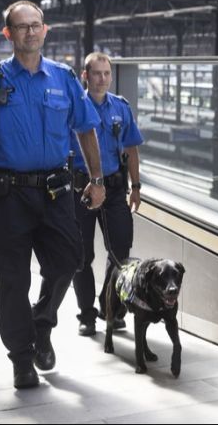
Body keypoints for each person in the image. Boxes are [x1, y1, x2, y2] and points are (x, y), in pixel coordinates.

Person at [0, 0, 105, 390]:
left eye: (36, 25)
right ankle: (21, 358)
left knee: (70, 259)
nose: (30, 32)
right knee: (12, 278)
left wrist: (97, 178)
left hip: (56, 191)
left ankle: (42, 322)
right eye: (21, 27)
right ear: (8, 34)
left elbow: (85, 129)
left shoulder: (64, 78)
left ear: (45, 30)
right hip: (9, 196)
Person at [70, 52, 143, 337]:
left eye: (107, 74)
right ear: (85, 75)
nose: (102, 79)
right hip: (81, 189)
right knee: (81, 254)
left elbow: (132, 149)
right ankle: (86, 314)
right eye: (96, 73)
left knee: (121, 252)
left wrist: (135, 187)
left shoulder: (121, 108)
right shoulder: (73, 108)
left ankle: (110, 306)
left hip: (114, 189)